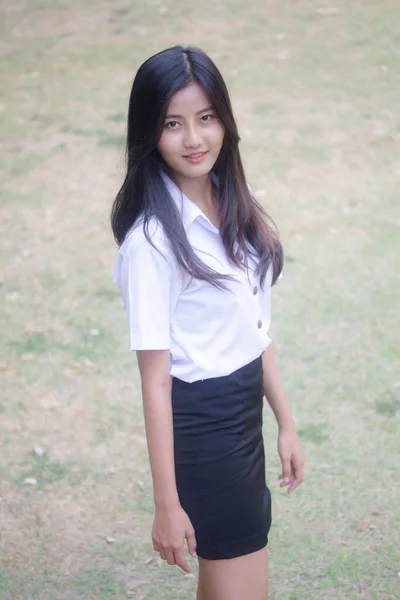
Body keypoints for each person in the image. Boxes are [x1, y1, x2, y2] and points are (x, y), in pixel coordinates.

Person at [112, 45, 304, 600]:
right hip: (204, 429)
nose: (194, 139)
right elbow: (155, 381)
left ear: (225, 121)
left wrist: (284, 421)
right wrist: (166, 505)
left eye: (206, 118)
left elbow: (253, 330)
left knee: (227, 587)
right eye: (173, 124)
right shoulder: (152, 242)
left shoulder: (233, 204)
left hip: (242, 411)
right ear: (149, 133)